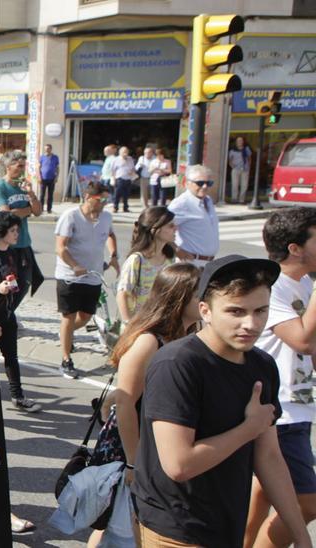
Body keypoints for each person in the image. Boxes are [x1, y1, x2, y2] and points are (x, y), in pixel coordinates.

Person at [132, 255, 312, 548]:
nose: (251, 324)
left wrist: (301, 536)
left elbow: (268, 457)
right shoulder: (177, 364)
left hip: (227, 522)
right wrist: (249, 428)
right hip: (175, 530)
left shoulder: (262, 364)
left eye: (261, 310)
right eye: (236, 311)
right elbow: (179, 464)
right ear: (206, 310)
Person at [109, 263, 203, 546]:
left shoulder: (192, 332)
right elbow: (125, 402)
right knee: (122, 519)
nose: (206, 300)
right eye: (200, 293)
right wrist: (133, 462)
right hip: (140, 446)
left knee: (121, 519)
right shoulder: (148, 341)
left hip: (167, 442)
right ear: (179, 297)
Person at [245, 207, 316, 548]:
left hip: (297, 403)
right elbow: (301, 337)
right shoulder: (272, 286)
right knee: (307, 502)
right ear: (295, 248)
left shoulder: (302, 282)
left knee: (261, 496)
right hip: (281, 408)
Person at [0, 212, 41, 413]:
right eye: (12, 231)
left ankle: (18, 397)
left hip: (7, 314)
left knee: (11, 357)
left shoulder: (11, 253)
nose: (16, 234)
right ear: (1, 231)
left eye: (17, 230)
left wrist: (11, 286)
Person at [55, 181, 118, 379]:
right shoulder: (71, 216)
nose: (105, 203)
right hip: (69, 277)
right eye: (102, 199)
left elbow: (110, 234)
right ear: (89, 198)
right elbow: (61, 247)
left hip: (93, 276)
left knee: (87, 316)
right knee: (69, 316)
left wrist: (114, 255)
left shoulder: (106, 217)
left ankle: (66, 335)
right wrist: (74, 266)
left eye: (108, 199)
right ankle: (66, 358)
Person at [0, 151, 42, 311]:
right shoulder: (0, 187)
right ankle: (4, 313)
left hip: (23, 242)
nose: (22, 170)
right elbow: (6, 215)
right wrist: (28, 211)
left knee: (26, 282)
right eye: (19, 166)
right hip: (6, 244)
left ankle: (9, 312)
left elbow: (38, 211)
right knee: (8, 282)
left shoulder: (23, 186)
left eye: (23, 166)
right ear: (8, 166)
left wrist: (31, 194)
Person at [117, 207, 176, 324]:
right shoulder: (137, 260)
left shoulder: (169, 260)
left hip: (160, 323)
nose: (176, 229)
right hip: (138, 325)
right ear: (155, 229)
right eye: (170, 226)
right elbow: (122, 293)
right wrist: (128, 323)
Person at [169, 165, 220, 267]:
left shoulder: (208, 200)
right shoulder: (182, 203)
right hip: (190, 262)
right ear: (187, 183)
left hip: (208, 263)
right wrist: (176, 249)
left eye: (208, 183)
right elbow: (158, 227)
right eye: (200, 183)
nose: (204, 186)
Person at [111, 146, 137, 213]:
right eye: (124, 152)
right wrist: (113, 179)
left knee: (126, 194)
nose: (125, 153)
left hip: (128, 179)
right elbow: (113, 171)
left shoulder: (130, 159)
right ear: (120, 152)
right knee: (117, 194)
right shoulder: (116, 160)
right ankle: (115, 207)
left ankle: (125, 208)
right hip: (119, 179)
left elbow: (133, 168)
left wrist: (132, 172)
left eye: (126, 151)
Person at [230, 137, 252, 204]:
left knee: (244, 185)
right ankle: (234, 199)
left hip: (245, 169)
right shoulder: (232, 150)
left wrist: (248, 167)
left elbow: (249, 158)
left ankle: (241, 200)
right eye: (238, 140)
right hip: (236, 169)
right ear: (236, 142)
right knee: (235, 185)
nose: (240, 142)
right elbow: (230, 160)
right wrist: (232, 166)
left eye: (241, 140)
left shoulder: (246, 149)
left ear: (243, 141)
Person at [40, 144, 59, 213]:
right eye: (45, 149)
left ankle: (49, 209)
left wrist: (56, 177)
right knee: (42, 195)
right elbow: (39, 167)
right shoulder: (42, 157)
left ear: (51, 149)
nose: (46, 150)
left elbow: (57, 168)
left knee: (50, 195)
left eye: (48, 148)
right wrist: (39, 177)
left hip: (52, 179)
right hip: (43, 179)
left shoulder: (55, 157)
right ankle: (41, 208)